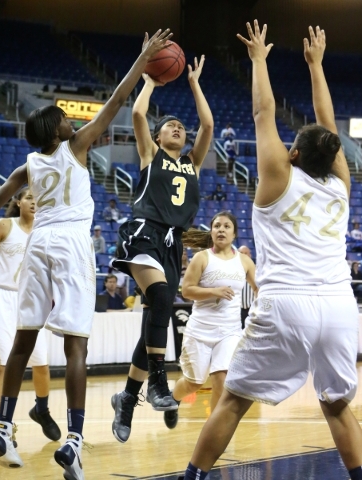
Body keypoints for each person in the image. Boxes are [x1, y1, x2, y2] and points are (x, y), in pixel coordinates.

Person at [180, 22, 362, 480]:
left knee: (233, 401)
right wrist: (317, 66)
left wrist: (260, 61)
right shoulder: (343, 187)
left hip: (287, 302)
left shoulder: (277, 178)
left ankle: (194, 477)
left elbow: (264, 112)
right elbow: (328, 125)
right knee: (338, 405)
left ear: (295, 155)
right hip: (340, 306)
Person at [0, 28, 173, 479]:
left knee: (22, 342)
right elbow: (117, 101)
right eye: (66, 118)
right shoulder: (77, 147)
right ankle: (74, 440)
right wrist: (143, 59)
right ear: (58, 130)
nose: (72, 121)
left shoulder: (28, 165)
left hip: (37, 247)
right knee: (76, 348)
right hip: (68, 244)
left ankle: (3, 425)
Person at [111, 54, 213, 444]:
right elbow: (138, 114)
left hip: (172, 243)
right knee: (159, 296)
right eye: (170, 125)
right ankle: (158, 382)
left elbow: (207, 124)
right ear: (157, 136)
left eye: (180, 127)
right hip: (144, 231)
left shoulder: (193, 163)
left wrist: (194, 83)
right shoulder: (150, 155)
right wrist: (151, 80)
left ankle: (128, 397)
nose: (178, 128)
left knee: (156, 317)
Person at [0, 189, 61, 449]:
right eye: (29, 198)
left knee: (42, 364)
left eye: (39, 199)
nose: (35, 202)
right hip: (1, 297)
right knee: (0, 364)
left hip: (30, 301)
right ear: (18, 202)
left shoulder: (45, 233)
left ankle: (41, 409)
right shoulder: (5, 225)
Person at [163, 212, 256, 430]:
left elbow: (259, 289)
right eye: (217, 226)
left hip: (229, 331)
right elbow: (186, 291)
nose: (221, 229)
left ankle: (213, 432)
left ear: (234, 234)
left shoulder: (245, 261)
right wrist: (214, 291)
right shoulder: (202, 258)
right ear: (211, 231)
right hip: (200, 330)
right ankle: (173, 399)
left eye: (226, 226)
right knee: (194, 383)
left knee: (222, 381)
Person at [237, 245, 255, 328]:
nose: (243, 255)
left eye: (246, 253)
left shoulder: (257, 270)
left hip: (253, 309)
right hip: (237, 309)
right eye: (241, 253)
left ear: (250, 255)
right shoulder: (231, 270)